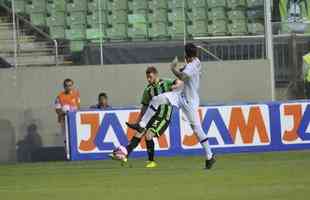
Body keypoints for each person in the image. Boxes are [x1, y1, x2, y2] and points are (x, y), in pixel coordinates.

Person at [126, 43, 216, 170]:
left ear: (186, 54)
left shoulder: (193, 65)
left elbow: (182, 76)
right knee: (157, 99)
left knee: (196, 129)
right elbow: (184, 72)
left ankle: (209, 155)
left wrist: (172, 68)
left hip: (189, 101)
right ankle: (141, 125)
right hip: (180, 95)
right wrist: (178, 69)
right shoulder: (194, 62)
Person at [110, 66, 183, 168]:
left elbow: (179, 82)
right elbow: (144, 108)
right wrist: (139, 122)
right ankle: (125, 155)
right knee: (138, 132)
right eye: (147, 77)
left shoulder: (166, 82)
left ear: (156, 74)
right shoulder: (148, 90)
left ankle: (151, 161)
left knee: (149, 135)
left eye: (150, 77)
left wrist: (175, 87)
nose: (149, 79)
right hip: (151, 116)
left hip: (163, 116)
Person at [55, 78, 80, 149]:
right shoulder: (60, 96)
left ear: (72, 86)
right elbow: (57, 109)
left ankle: (75, 152)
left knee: (75, 136)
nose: (68, 87)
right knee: (66, 137)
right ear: (64, 86)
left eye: (70, 85)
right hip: (64, 120)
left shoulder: (76, 94)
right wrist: (64, 114)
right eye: (66, 86)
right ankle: (68, 153)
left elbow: (78, 107)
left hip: (74, 119)